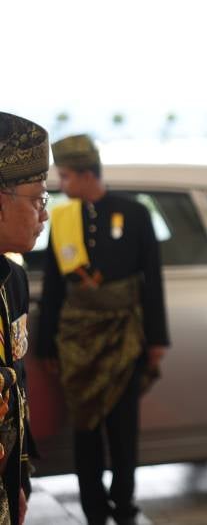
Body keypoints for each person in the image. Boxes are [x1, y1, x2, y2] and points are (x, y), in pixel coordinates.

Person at [36, 135, 169, 525]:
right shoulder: (62, 218)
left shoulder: (134, 213)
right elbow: (56, 285)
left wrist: (157, 338)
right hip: (76, 341)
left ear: (87, 173)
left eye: (65, 176)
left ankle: (124, 503)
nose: (61, 185)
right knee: (85, 427)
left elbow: (152, 280)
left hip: (124, 335)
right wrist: (47, 347)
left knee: (123, 427)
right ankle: (93, 508)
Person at [0, 112, 48, 525]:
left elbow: (17, 383)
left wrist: (15, 477)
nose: (44, 216)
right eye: (38, 200)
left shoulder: (13, 279)